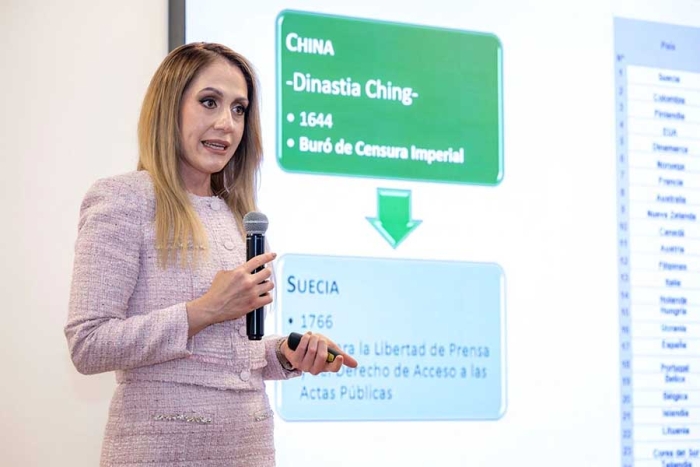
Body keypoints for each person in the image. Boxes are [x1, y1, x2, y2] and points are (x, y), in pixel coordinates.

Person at [65, 42, 358, 466]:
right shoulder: (124, 199)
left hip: (249, 447)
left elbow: (229, 356)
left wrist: (284, 353)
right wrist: (204, 310)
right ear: (169, 108)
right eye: (209, 102)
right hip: (161, 452)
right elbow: (88, 344)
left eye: (239, 109)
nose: (227, 123)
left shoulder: (239, 216)